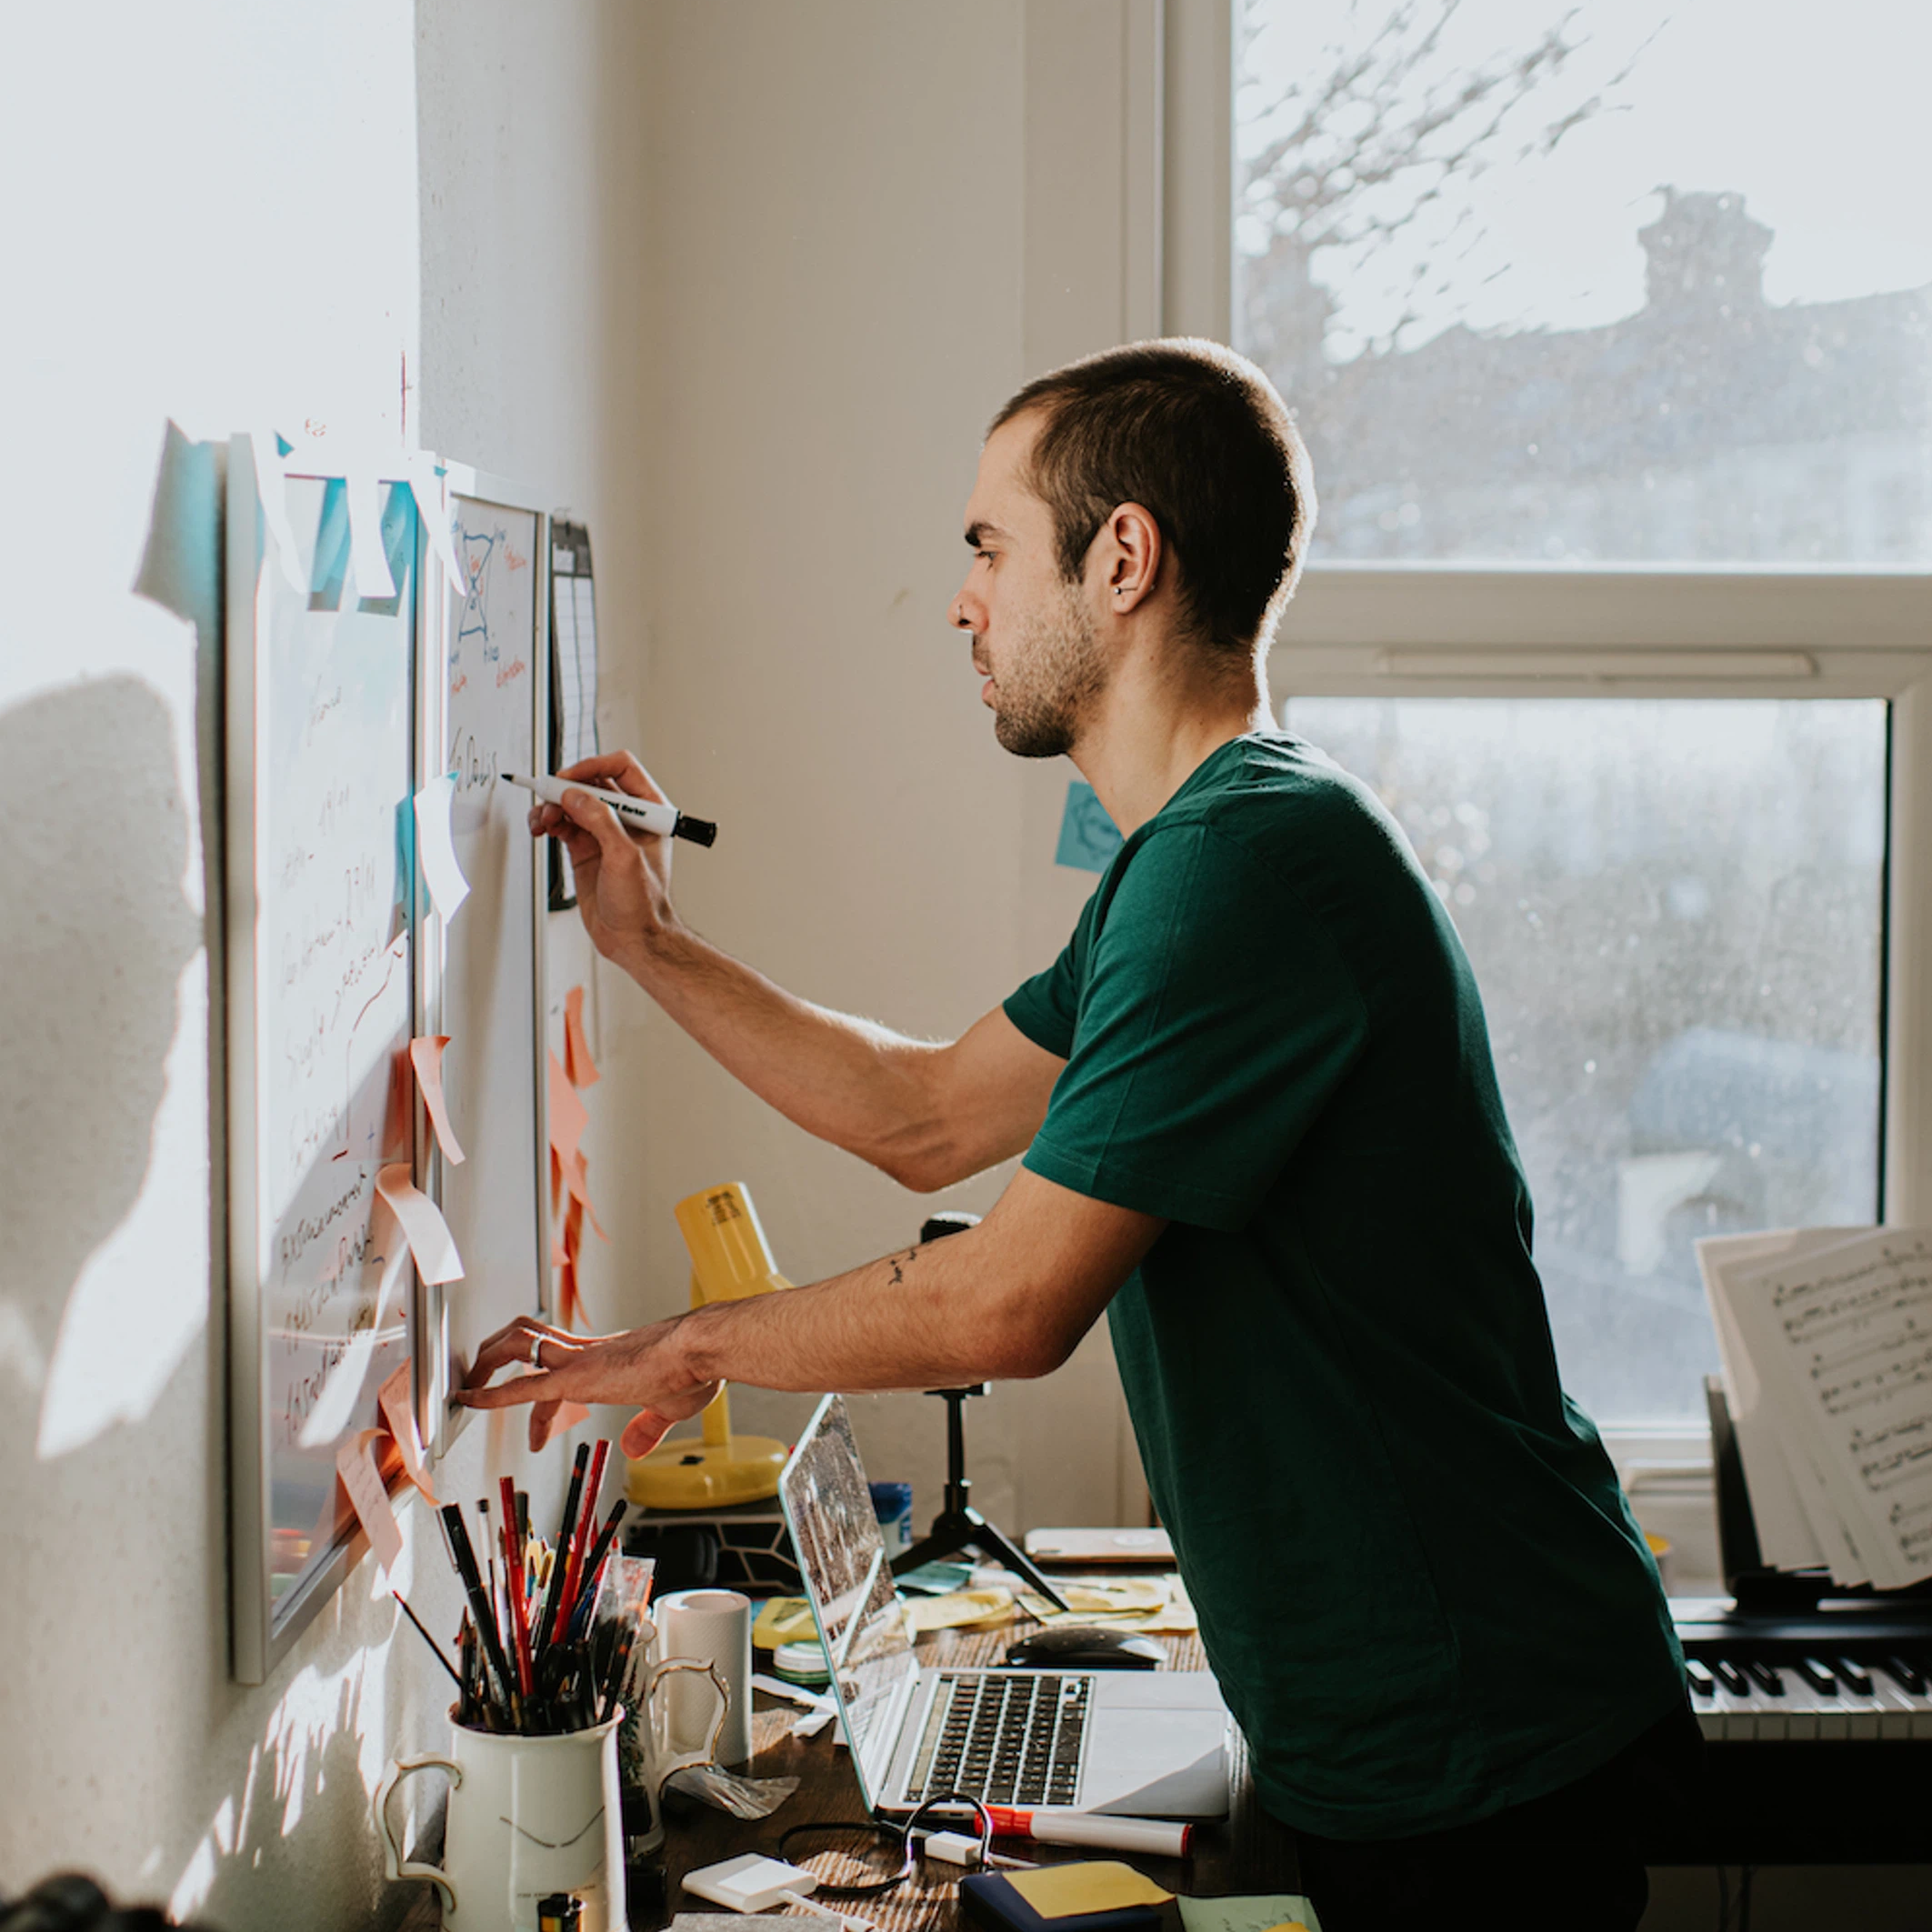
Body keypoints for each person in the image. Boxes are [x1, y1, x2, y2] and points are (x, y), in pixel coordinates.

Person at [459, 339, 1695, 1925]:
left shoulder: (1244, 869)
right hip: (1424, 1705)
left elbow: (1009, 1304)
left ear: (1122, 557)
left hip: (1471, 1723)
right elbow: (924, 1115)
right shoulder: (1193, 860)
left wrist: (695, 1345)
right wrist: (648, 948)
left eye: (987, 547)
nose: (965, 601)